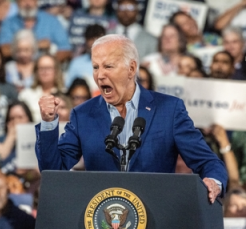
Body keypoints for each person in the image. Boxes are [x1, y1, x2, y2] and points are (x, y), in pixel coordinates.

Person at [36, 34, 227, 204]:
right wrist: (48, 122)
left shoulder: (169, 110)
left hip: (157, 220)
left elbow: (207, 162)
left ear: (131, 68)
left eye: (108, 66)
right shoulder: (83, 114)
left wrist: (213, 181)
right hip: (103, 225)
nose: (100, 75)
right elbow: (53, 170)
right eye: (95, 67)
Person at [0, 0, 71, 62]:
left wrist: (46, 64)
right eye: (23, 0)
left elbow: (66, 50)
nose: (28, 4)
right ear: (17, 2)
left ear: (37, 1)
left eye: (31, 0)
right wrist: (36, 45)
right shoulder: (9, 23)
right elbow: (3, 50)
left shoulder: (51, 21)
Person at [18, 54, 65, 123]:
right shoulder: (25, 95)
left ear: (56, 71)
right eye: (41, 68)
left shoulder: (65, 94)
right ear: (36, 72)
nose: (45, 71)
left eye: (48, 68)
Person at [65, 24, 105, 92]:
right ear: (86, 41)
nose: (94, 43)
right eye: (91, 39)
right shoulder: (76, 63)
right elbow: (68, 88)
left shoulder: (112, 63)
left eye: (98, 39)